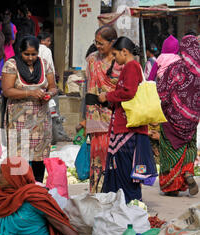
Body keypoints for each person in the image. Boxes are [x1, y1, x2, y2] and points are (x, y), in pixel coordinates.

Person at [98, 37, 157, 204]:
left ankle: (129, 202)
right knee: (124, 166)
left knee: (124, 167)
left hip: (128, 128)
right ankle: (125, 201)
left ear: (125, 52)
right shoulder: (132, 66)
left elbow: (129, 92)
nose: (115, 59)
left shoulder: (131, 66)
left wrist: (107, 96)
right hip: (126, 125)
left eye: (116, 54)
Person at [1, 35, 58, 183]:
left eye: (34, 54)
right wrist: (30, 93)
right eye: (27, 54)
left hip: (41, 119)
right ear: (20, 51)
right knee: (19, 155)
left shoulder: (45, 64)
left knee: (40, 155)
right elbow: (7, 90)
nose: (31, 57)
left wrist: (49, 94)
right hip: (18, 118)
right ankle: (19, 188)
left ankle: (37, 186)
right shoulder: (11, 65)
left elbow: (53, 86)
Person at [157, 35, 200, 197]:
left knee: (169, 148)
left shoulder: (175, 67)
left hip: (171, 117)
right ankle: (187, 172)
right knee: (188, 147)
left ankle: (171, 185)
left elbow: (162, 90)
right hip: (191, 119)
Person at [85, 26, 122, 193]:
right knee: (97, 152)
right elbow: (88, 87)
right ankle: (98, 190)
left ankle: (115, 190)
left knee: (115, 152)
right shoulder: (92, 59)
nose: (98, 46)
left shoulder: (121, 60)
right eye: (96, 43)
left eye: (101, 43)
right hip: (95, 113)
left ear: (112, 42)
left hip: (115, 113)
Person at [0, 9, 18, 96]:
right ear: (10, 16)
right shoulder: (13, 27)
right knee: (9, 73)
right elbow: (13, 41)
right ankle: (7, 92)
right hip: (8, 53)